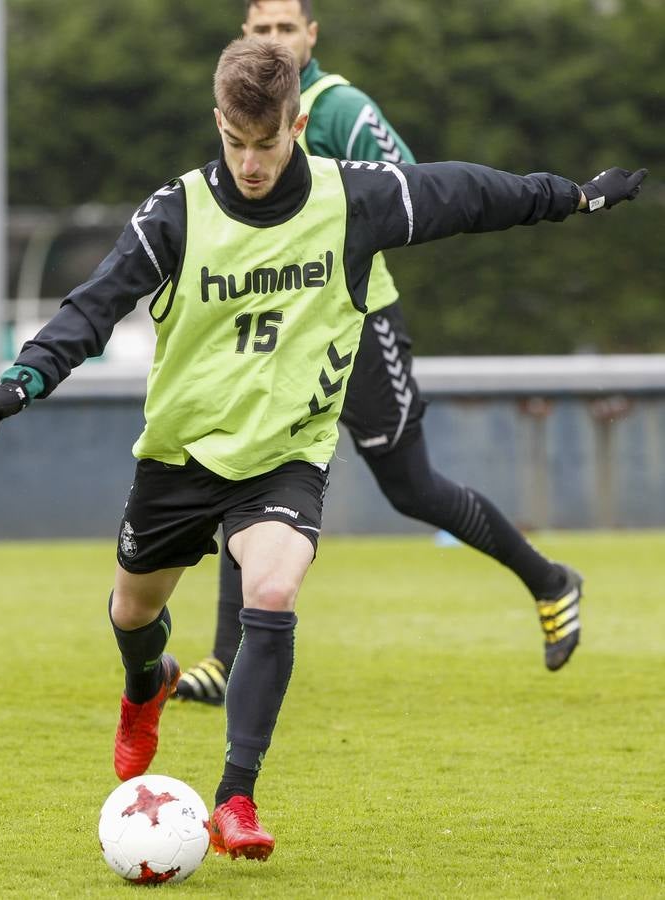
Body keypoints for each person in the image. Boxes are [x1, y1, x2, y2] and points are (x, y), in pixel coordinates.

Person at [0, 37, 646, 862]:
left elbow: (462, 194)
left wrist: (570, 198)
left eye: (268, 142)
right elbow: (95, 304)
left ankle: (236, 799)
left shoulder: (348, 199)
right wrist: (28, 375)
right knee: (133, 611)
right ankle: (144, 687)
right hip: (181, 457)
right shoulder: (177, 211)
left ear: (296, 123)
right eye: (235, 143)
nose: (251, 163)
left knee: (277, 589)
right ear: (219, 122)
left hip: (286, 455)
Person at [176, 0, 587, 706]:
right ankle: (222, 660)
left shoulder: (339, 107)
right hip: (282, 326)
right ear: (244, 36)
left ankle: (549, 579)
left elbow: (414, 192)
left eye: (285, 28)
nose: (274, 39)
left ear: (311, 35)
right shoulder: (245, 109)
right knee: (242, 472)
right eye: (261, 29)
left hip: (357, 325)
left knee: (412, 488)